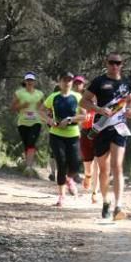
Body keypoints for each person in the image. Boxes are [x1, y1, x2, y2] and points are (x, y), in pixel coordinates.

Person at [81, 52, 131, 220]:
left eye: (118, 63)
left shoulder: (126, 82)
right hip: (101, 128)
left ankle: (119, 206)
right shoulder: (99, 81)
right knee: (104, 169)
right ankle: (106, 201)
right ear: (107, 63)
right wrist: (98, 109)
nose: (115, 65)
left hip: (119, 128)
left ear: (122, 65)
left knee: (117, 166)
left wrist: (130, 110)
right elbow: (83, 101)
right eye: (112, 62)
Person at [43, 72, 84, 207]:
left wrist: (70, 119)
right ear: (59, 82)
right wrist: (50, 120)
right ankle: (62, 196)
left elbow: (84, 116)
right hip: (56, 134)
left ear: (72, 83)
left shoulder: (77, 97)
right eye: (64, 80)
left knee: (76, 163)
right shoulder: (53, 97)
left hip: (73, 134)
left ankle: (69, 179)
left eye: (69, 80)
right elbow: (40, 111)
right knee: (61, 162)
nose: (67, 83)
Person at [11, 72, 45, 171]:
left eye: (31, 80)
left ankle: (29, 166)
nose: (29, 82)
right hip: (23, 122)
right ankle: (27, 164)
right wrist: (22, 106)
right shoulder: (19, 93)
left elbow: (43, 107)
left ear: (34, 82)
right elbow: (12, 108)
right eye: (28, 80)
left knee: (31, 142)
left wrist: (45, 115)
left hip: (36, 122)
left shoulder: (39, 94)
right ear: (25, 81)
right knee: (26, 144)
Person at [72, 75, 97, 195]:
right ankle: (86, 176)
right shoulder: (73, 98)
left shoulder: (94, 98)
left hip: (97, 131)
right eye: (76, 83)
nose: (78, 85)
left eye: (80, 83)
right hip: (82, 130)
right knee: (86, 160)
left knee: (98, 159)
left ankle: (95, 191)